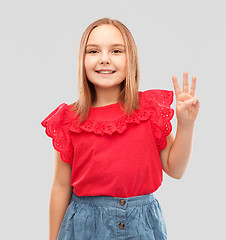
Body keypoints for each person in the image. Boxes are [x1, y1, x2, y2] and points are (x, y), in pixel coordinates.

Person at [41, 17, 200, 240]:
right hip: (86, 227)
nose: (104, 59)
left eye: (116, 51)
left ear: (131, 59)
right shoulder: (70, 120)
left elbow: (175, 169)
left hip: (142, 225)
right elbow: (60, 186)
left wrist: (186, 125)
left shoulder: (149, 111)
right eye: (93, 51)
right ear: (82, 59)